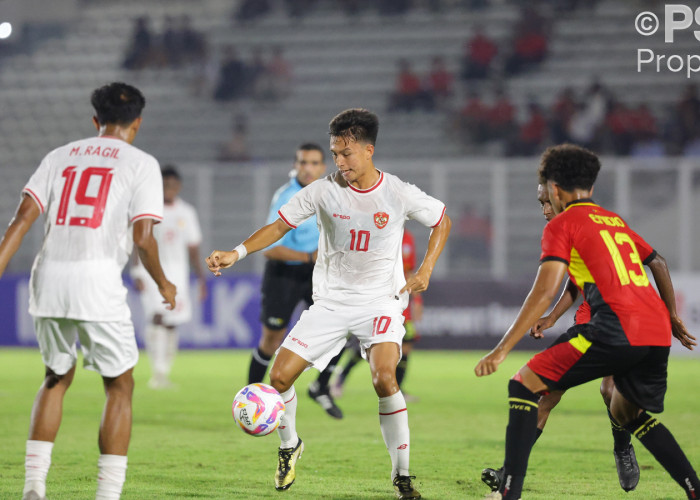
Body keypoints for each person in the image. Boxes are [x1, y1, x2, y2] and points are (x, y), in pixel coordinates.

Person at [207, 108, 451, 499]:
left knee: (384, 378)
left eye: (347, 154)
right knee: (279, 377)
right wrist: (236, 253)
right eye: (335, 153)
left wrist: (426, 269)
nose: (340, 162)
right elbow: (278, 226)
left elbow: (441, 220)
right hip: (331, 303)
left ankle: (402, 477)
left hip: (381, 302)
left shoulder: (397, 192)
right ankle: (289, 447)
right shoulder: (323, 190)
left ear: (369, 151)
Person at [475, 144, 700, 500]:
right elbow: (657, 261)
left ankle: (507, 493)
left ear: (555, 190)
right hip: (656, 330)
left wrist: (502, 349)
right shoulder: (614, 221)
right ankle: (695, 490)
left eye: (546, 195)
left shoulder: (563, 224)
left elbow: (545, 288)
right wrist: (671, 315)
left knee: (523, 385)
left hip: (615, 326)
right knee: (627, 413)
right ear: (591, 189)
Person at [0, 82, 176, 500]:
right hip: (96, 282)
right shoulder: (141, 163)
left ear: (95, 121)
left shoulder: (59, 156)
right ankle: (107, 495)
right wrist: (163, 281)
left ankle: (33, 486)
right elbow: (144, 238)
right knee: (119, 385)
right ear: (138, 122)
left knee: (56, 377)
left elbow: (22, 219)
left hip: (48, 279)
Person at [247, 143, 343, 419]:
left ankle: (320, 387)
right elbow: (270, 247)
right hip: (284, 273)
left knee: (339, 328)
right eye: (303, 162)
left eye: (314, 163)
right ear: (295, 165)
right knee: (272, 338)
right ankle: (251, 396)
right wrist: (308, 256)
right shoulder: (286, 196)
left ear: (323, 167)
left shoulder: (332, 194)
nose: (308, 168)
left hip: (317, 273)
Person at [131, 165, 206, 389]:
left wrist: (201, 279)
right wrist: (136, 272)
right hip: (151, 271)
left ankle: (165, 372)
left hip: (178, 274)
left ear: (179, 186)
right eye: (165, 185)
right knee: (157, 316)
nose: (169, 189)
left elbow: (193, 249)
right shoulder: (147, 210)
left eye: (173, 185)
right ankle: (157, 372)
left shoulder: (187, 212)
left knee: (173, 322)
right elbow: (138, 242)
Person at [331, 229, 423, 400]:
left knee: (407, 344)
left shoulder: (408, 237)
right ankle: (340, 379)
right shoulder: (376, 233)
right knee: (369, 345)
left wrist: (417, 299)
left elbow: (408, 271)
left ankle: (398, 389)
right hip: (376, 297)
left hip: (400, 300)